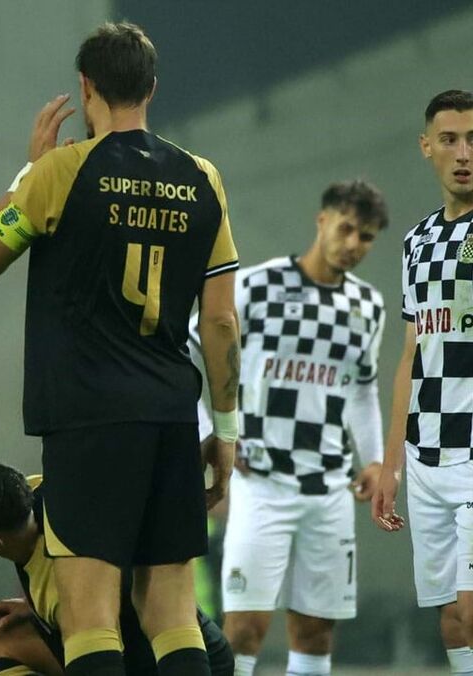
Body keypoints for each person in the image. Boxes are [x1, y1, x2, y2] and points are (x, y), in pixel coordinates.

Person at [0, 22, 240, 676]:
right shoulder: (202, 179)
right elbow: (221, 322)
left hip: (87, 419)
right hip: (171, 416)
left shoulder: (62, 172)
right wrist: (225, 430)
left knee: (89, 618)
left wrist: (28, 173)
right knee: (172, 613)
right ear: (152, 88)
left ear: (86, 87)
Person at [190, 180, 389, 676]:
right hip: (261, 484)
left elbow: (362, 389)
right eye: (346, 228)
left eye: (366, 237)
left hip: (329, 489)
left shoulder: (368, 306)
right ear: (322, 221)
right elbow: (188, 351)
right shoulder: (256, 287)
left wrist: (374, 458)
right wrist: (209, 432)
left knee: (316, 631)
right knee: (243, 630)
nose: (353, 244)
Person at [0, 461, 235, 676]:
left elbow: (105, 659)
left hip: (180, 662)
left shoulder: (63, 592)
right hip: (191, 637)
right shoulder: (35, 491)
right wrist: (30, 608)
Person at [373, 89, 473, 676]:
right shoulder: (417, 242)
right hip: (426, 454)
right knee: (451, 616)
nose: (464, 153)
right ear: (426, 147)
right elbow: (412, 353)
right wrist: (392, 463)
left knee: (472, 606)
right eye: (450, 139)